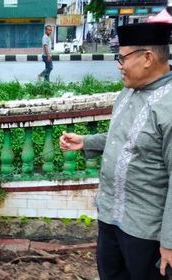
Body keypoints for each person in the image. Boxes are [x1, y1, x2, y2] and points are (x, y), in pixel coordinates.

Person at [59, 22, 172, 280]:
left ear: (147, 58)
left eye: (122, 58)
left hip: (146, 231)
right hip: (110, 216)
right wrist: (87, 142)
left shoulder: (169, 107)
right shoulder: (127, 93)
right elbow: (123, 139)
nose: (119, 65)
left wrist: (169, 242)